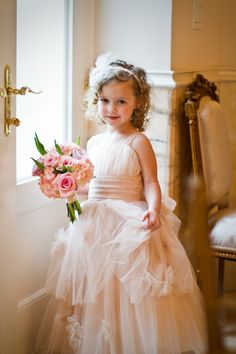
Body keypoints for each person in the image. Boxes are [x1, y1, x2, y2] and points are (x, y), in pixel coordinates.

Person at [36, 53, 207, 354]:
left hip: (129, 224)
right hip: (94, 227)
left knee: (129, 293)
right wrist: (68, 187)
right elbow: (96, 186)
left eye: (121, 102)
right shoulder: (94, 143)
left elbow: (152, 183)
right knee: (96, 293)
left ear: (137, 103)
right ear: (95, 101)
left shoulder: (138, 141)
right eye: (104, 100)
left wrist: (153, 208)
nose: (111, 109)